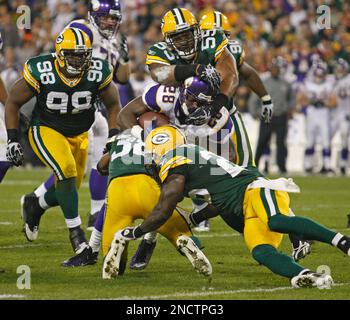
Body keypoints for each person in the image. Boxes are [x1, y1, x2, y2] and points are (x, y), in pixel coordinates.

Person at [117, 125, 350, 288]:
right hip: (245, 206)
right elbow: (220, 198)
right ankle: (308, 275)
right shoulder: (192, 156)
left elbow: (163, 210)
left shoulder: (174, 161)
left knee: (276, 220)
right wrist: (196, 219)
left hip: (257, 189)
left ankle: (343, 242)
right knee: (261, 251)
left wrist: (136, 232)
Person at [5, 27, 121, 262]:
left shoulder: (97, 71)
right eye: (72, 54)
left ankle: (35, 204)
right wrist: (12, 138)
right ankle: (78, 240)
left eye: (82, 54)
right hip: (46, 128)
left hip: (80, 133)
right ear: (59, 54)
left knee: (69, 188)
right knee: (66, 171)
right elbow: (13, 102)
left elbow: (114, 106)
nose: (78, 60)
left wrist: (113, 137)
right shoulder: (41, 69)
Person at [21, 0, 130, 231]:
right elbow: (63, 58)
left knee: (100, 156)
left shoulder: (116, 39)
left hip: (98, 101)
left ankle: (89, 209)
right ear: (93, 15)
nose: (110, 21)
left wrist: (125, 56)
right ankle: (46, 202)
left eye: (114, 17)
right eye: (105, 17)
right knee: (72, 168)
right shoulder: (81, 29)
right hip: (77, 101)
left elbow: (122, 78)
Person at [97, 131, 212, 279]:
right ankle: (182, 240)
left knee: (112, 253)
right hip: (146, 187)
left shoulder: (117, 142)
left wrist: (113, 165)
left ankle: (116, 247)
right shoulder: (151, 143)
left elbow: (101, 167)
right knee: (177, 231)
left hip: (118, 190)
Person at [249, 57, 294, 174]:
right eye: (273, 68)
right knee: (262, 142)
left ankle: (282, 167)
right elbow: (254, 97)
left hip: (281, 116)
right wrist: (255, 111)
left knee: (281, 143)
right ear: (270, 68)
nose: (275, 70)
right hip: (267, 116)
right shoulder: (264, 81)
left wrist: (288, 108)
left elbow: (292, 99)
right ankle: (255, 165)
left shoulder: (286, 83)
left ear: (280, 69)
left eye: (277, 68)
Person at [297, 61, 335, 174]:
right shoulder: (307, 84)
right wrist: (311, 101)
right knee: (310, 140)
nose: (319, 76)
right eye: (317, 74)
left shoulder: (329, 84)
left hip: (324, 113)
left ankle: (327, 165)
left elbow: (334, 101)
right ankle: (308, 164)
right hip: (312, 112)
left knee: (326, 140)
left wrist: (325, 103)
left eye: (321, 74)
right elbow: (301, 99)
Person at [331, 59, 350, 175]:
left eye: (341, 68)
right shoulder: (333, 81)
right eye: (338, 68)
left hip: (346, 113)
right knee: (342, 138)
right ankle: (342, 164)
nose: (339, 71)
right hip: (340, 114)